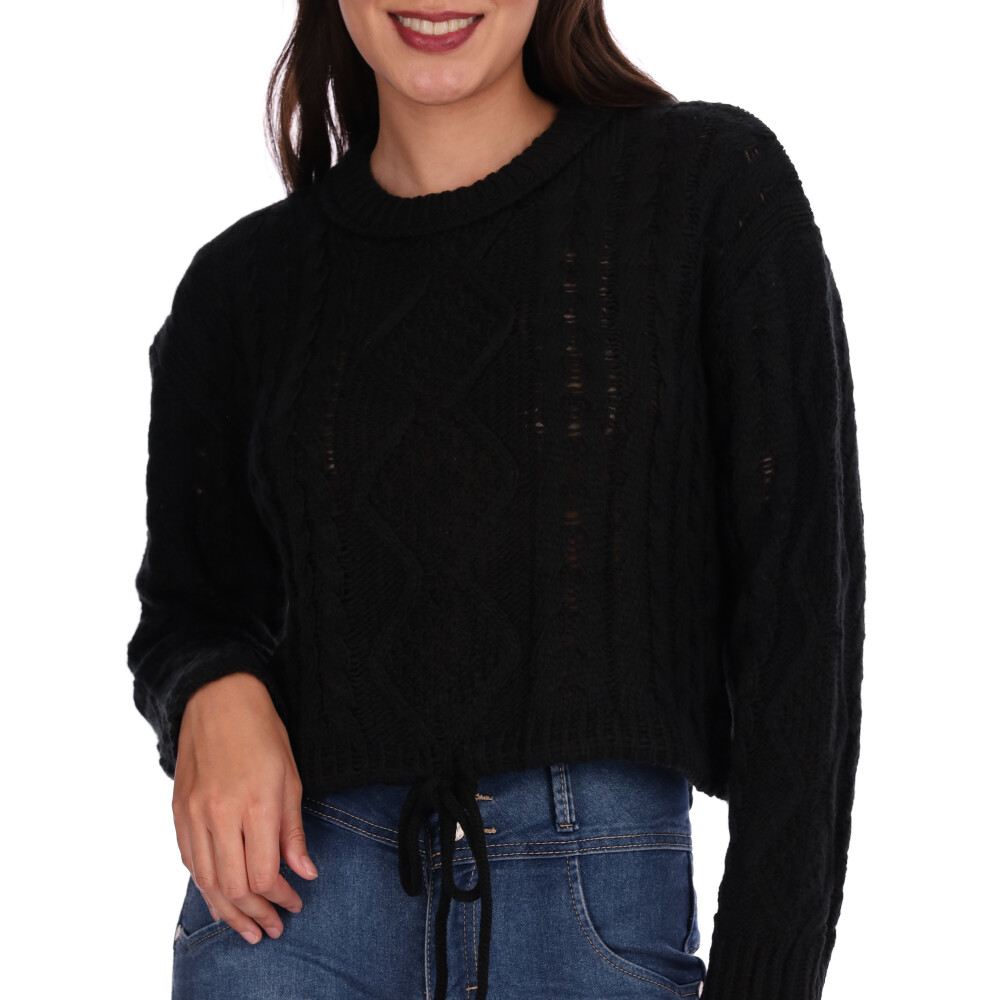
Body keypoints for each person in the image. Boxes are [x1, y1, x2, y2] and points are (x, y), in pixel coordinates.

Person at [126, 2, 866, 998]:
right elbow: (188, 608)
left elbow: (800, 629)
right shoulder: (239, 290)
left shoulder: (701, 190)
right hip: (289, 914)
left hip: (592, 912)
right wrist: (212, 687)